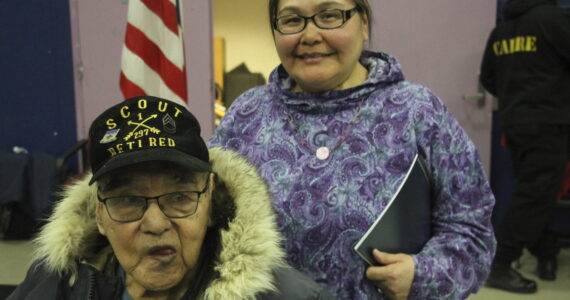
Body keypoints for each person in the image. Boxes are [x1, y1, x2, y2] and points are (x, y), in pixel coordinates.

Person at [209, 0, 497, 298]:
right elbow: (203, 218)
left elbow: (473, 230)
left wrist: (423, 275)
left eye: (330, 15)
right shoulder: (247, 114)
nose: (309, 35)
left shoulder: (417, 112)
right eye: (292, 20)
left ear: (364, 24)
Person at [8, 96, 334, 300]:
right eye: (128, 200)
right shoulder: (56, 283)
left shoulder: (288, 295)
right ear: (99, 217)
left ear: (209, 202)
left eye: (179, 196)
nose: (155, 223)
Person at [480, 0, 570, 294]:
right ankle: (501, 264)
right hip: (549, 120)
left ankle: (546, 252)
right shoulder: (552, 19)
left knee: (532, 193)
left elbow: (489, 78)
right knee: (537, 195)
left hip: (515, 122)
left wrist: (516, 95)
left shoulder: (501, 30)